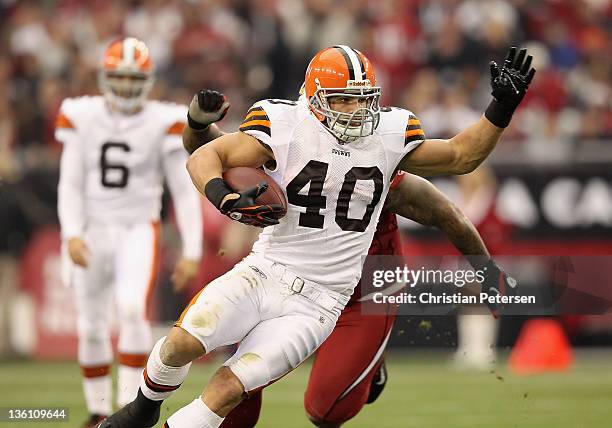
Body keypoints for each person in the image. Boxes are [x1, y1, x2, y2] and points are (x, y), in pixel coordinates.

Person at [99, 44, 534, 428]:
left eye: (363, 100)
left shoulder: (388, 138)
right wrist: (222, 196)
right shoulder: (285, 124)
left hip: (322, 299)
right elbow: (208, 152)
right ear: (316, 99)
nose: (357, 110)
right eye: (344, 100)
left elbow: (460, 157)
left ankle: (364, 365)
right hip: (266, 270)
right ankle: (143, 407)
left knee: (241, 391)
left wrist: (500, 109)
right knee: (180, 343)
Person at [181, 90, 512, 428]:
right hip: (290, 279)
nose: (347, 116)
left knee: (326, 411)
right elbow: (215, 153)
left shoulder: (381, 164)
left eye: (356, 102)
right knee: (237, 388)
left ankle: (368, 362)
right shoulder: (287, 144)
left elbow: (449, 204)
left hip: (362, 292)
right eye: (339, 102)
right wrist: (198, 123)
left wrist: (486, 270)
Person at [56, 37, 203, 428]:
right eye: (118, 78)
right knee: (90, 322)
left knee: (133, 310)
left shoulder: (163, 120)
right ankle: (97, 409)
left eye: (131, 78)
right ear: (105, 77)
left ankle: (126, 408)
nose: (124, 86)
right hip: (92, 227)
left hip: (139, 226)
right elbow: (69, 182)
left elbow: (183, 188)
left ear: (148, 79)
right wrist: (70, 233)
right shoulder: (81, 114)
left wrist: (192, 248)